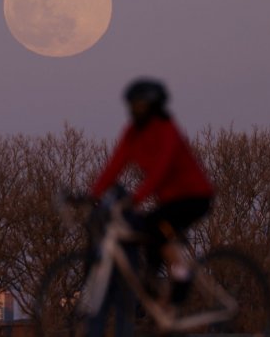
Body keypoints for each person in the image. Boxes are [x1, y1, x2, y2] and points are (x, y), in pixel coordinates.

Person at [91, 78, 214, 309]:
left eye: (139, 105)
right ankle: (157, 286)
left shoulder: (167, 130)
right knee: (148, 232)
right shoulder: (132, 133)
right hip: (170, 200)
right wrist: (93, 193)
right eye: (132, 106)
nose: (135, 111)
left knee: (155, 227)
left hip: (194, 196)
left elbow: (161, 168)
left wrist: (136, 197)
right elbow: (115, 164)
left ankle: (180, 277)